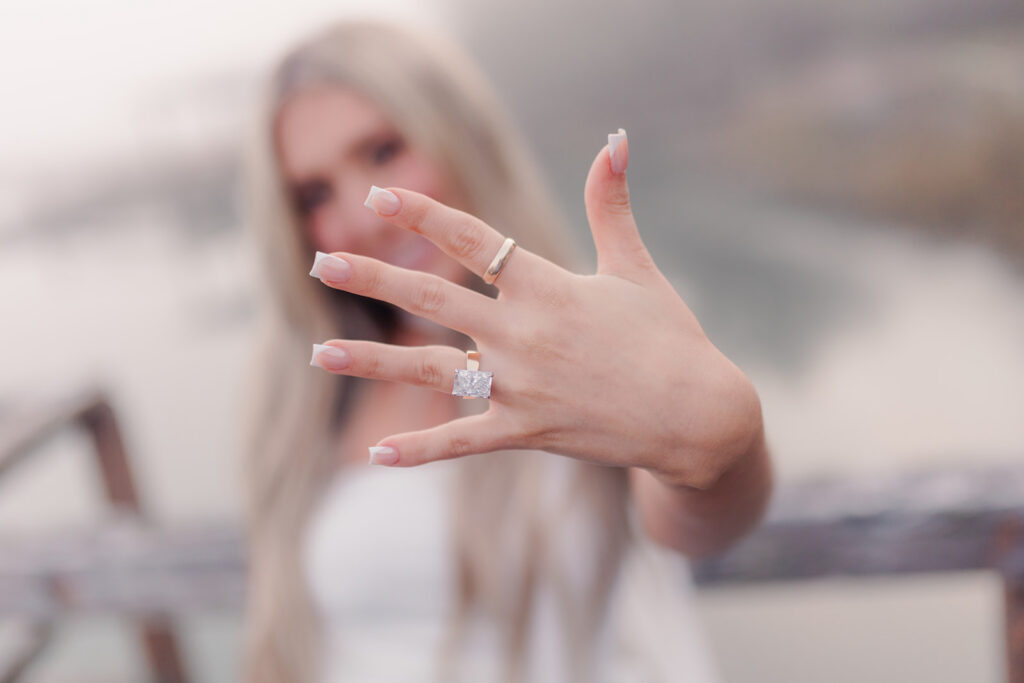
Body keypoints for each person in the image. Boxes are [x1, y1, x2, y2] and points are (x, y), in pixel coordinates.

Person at [242, 19, 772, 683]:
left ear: (463, 135)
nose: (361, 213)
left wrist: (721, 446)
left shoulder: (576, 349)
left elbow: (693, 518)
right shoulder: (308, 388)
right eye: (314, 194)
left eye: (383, 151)